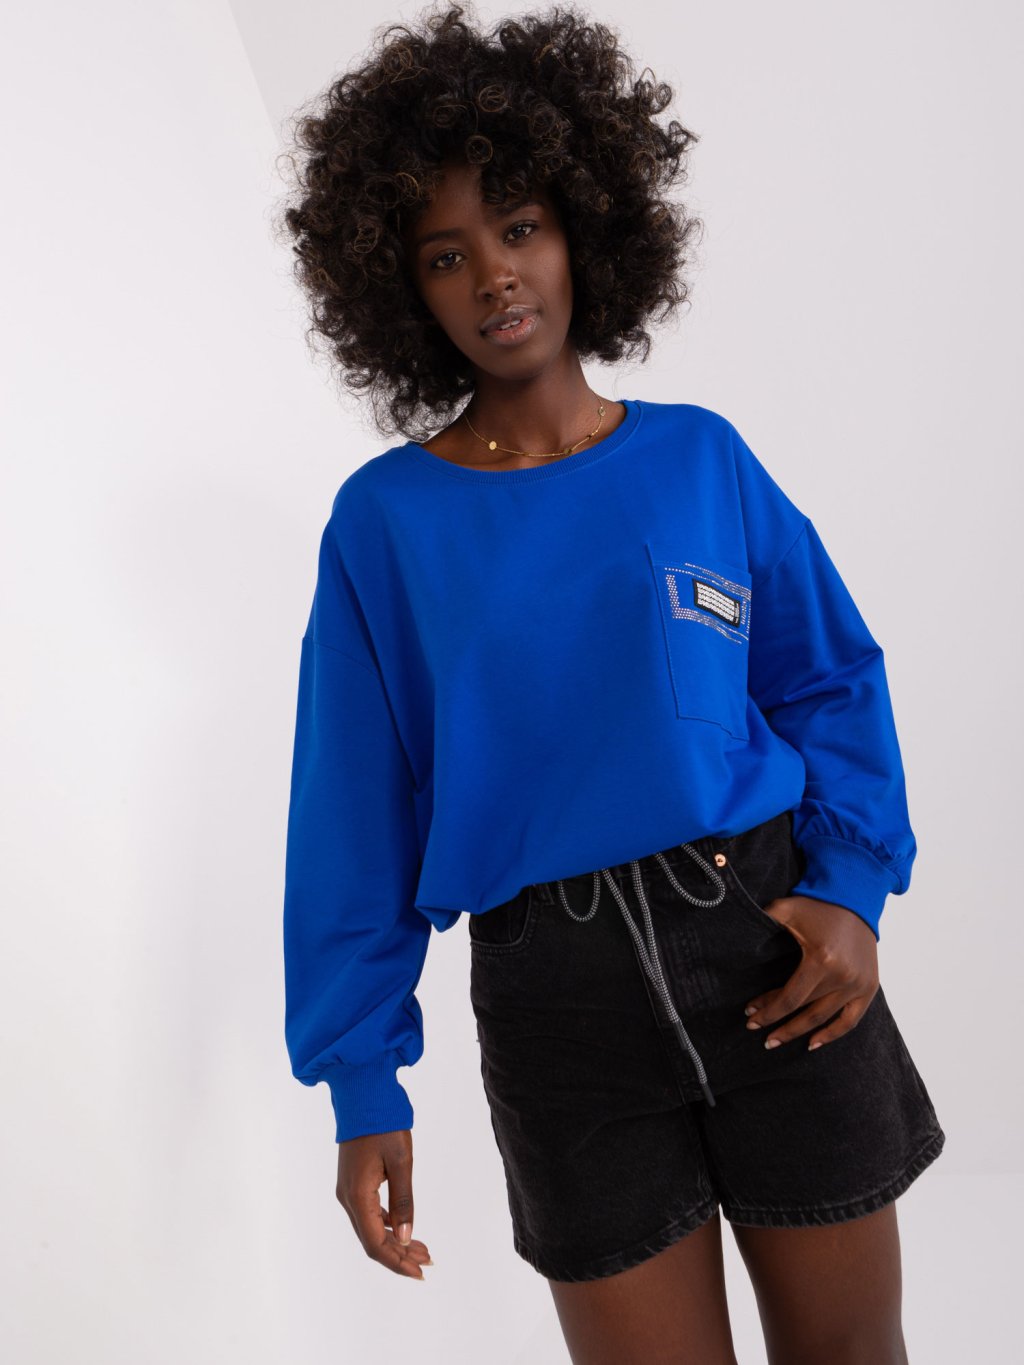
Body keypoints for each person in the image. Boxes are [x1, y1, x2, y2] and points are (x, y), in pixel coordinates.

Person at [277, 4, 945, 1360]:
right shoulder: (384, 524)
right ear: (401, 289)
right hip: (558, 1013)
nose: (495, 277)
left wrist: (852, 890)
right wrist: (363, 1080)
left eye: (520, 227)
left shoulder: (700, 459)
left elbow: (827, 679)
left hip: (771, 954)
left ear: (584, 228)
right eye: (446, 255)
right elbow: (354, 814)